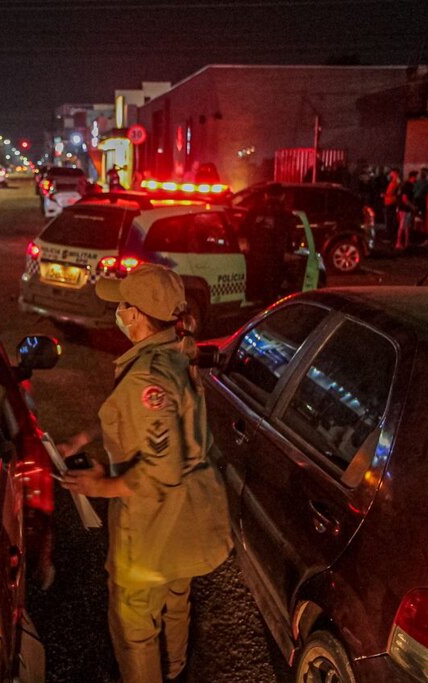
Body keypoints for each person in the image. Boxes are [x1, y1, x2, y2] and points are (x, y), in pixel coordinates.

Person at [61, 264, 232, 683]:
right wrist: (85, 436)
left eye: (122, 304)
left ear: (136, 315)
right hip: (189, 521)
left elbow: (160, 468)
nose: (117, 310)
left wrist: (102, 485)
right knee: (177, 598)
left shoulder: (146, 379)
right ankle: (174, 669)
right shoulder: (176, 350)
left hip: (155, 524)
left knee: (134, 628)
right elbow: (148, 421)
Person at [242, 184, 295, 303]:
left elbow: (243, 230)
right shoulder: (285, 215)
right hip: (275, 258)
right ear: (282, 196)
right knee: (271, 293)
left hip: (254, 257)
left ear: (265, 195)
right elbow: (289, 237)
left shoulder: (254, 211)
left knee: (255, 289)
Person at [396, 170, 419, 250]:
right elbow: (405, 199)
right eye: (416, 177)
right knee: (402, 227)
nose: (416, 179)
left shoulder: (410, 185)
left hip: (407, 210)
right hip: (404, 209)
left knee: (406, 227)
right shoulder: (407, 186)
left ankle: (406, 243)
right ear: (412, 177)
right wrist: (412, 207)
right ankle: (398, 243)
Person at [382, 168, 401, 243]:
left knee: (389, 220)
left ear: (394, 173)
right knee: (391, 220)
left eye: (391, 173)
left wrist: (384, 195)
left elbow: (391, 193)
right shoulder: (396, 181)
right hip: (391, 202)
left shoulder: (395, 182)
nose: (390, 174)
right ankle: (391, 236)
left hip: (390, 202)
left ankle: (389, 237)